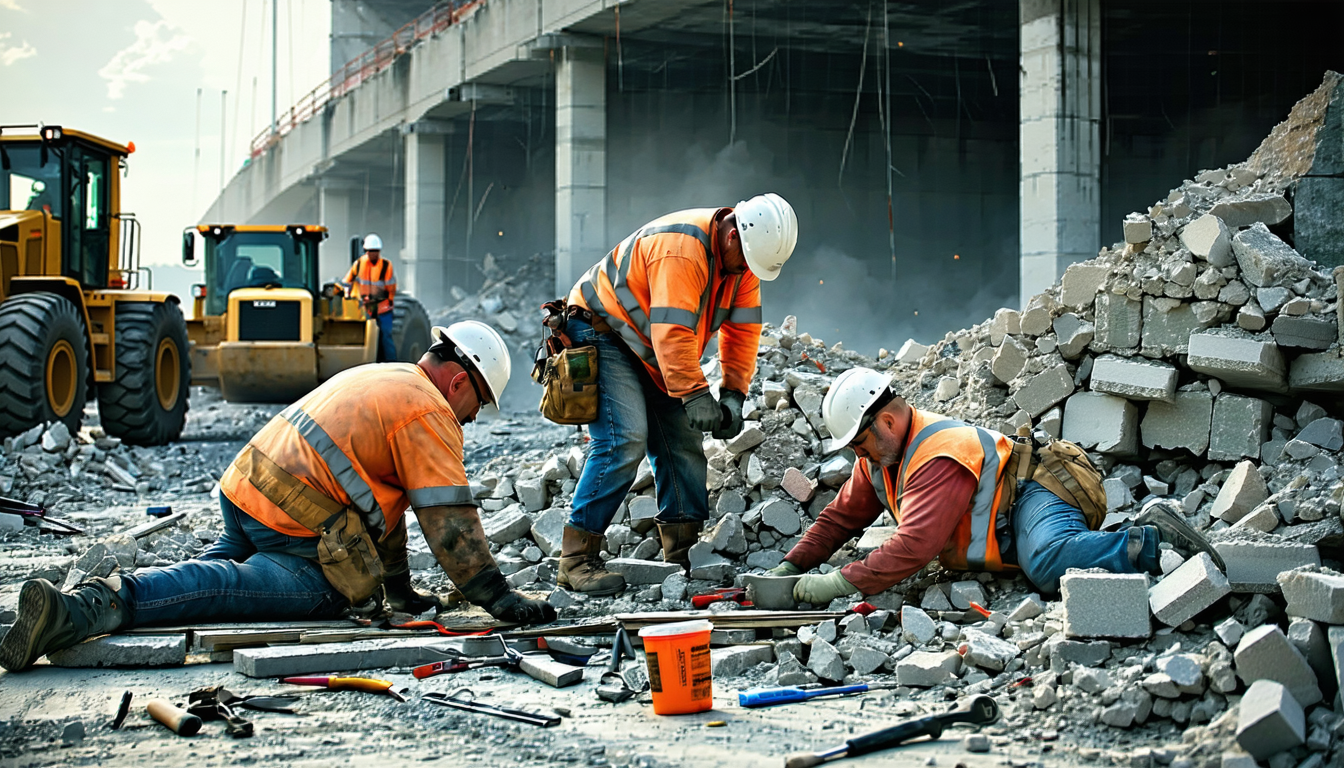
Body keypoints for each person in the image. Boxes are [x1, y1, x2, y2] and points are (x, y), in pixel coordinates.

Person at [0, 321, 556, 673]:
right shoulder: (430, 411)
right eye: (478, 404)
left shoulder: (391, 378)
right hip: (291, 521)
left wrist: (401, 594)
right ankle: (80, 610)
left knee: (212, 573)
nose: (472, 418)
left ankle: (99, 599)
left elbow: (384, 515)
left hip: (248, 489)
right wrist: (502, 602)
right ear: (461, 383)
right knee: (266, 590)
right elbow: (450, 525)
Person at [767, 367, 1225, 604]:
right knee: (1037, 561)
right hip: (1012, 511)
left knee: (1045, 564)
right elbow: (841, 518)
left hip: (1037, 490)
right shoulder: (881, 457)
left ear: (887, 420)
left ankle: (1152, 541)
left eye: (859, 443)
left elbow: (915, 546)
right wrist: (793, 565)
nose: (856, 456)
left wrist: (839, 583)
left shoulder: (938, 453)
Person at [556, 194, 799, 595]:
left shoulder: (746, 263)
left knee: (683, 439)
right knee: (625, 439)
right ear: (733, 235)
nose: (745, 273)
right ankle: (576, 559)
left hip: (648, 343)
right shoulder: (683, 251)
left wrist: (734, 393)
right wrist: (696, 396)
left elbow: (742, 333)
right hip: (601, 330)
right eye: (745, 263)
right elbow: (672, 332)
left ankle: (683, 552)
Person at [340, 233, 398, 362]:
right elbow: (347, 281)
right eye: (371, 251)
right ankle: (368, 363)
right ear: (366, 251)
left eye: (376, 251)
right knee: (367, 337)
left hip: (383, 308)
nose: (374, 254)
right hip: (367, 308)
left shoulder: (386, 266)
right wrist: (347, 293)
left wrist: (389, 301)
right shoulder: (359, 264)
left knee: (386, 336)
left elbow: (391, 287)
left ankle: (391, 364)